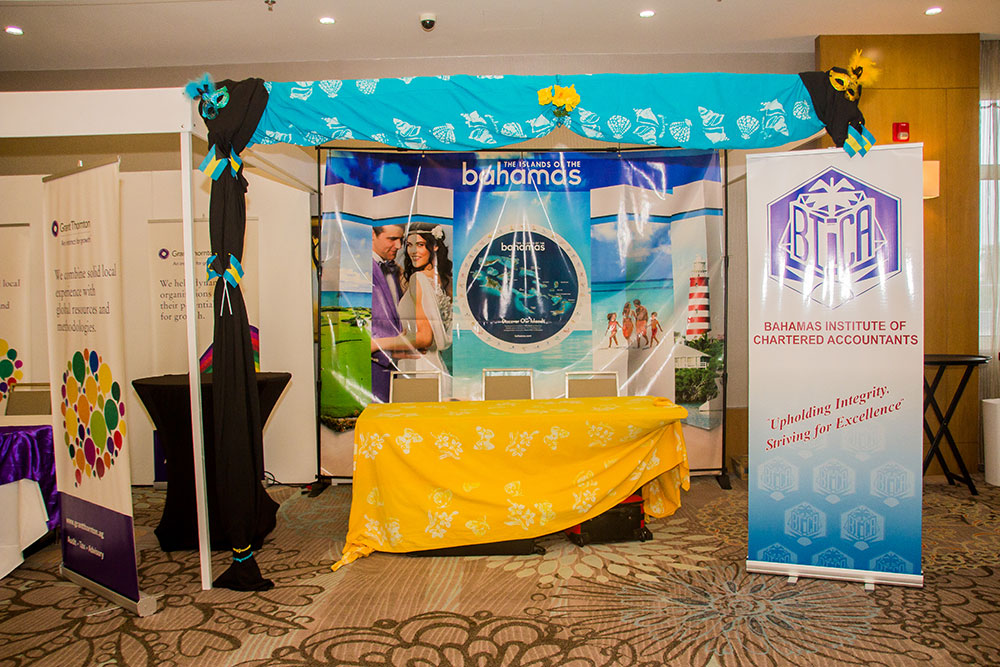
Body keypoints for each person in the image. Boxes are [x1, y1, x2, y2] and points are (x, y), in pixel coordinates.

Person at [373, 223, 453, 395]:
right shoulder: (446, 280)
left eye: (421, 245)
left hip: (418, 368)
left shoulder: (419, 279)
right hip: (437, 367)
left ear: (435, 246)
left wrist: (377, 343)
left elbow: (424, 338)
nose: (413, 251)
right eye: (409, 245)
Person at [370, 224, 405, 403]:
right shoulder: (361, 268)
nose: (399, 246)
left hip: (394, 363)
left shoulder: (393, 269)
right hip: (373, 362)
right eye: (392, 239)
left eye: (401, 239)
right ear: (372, 234)